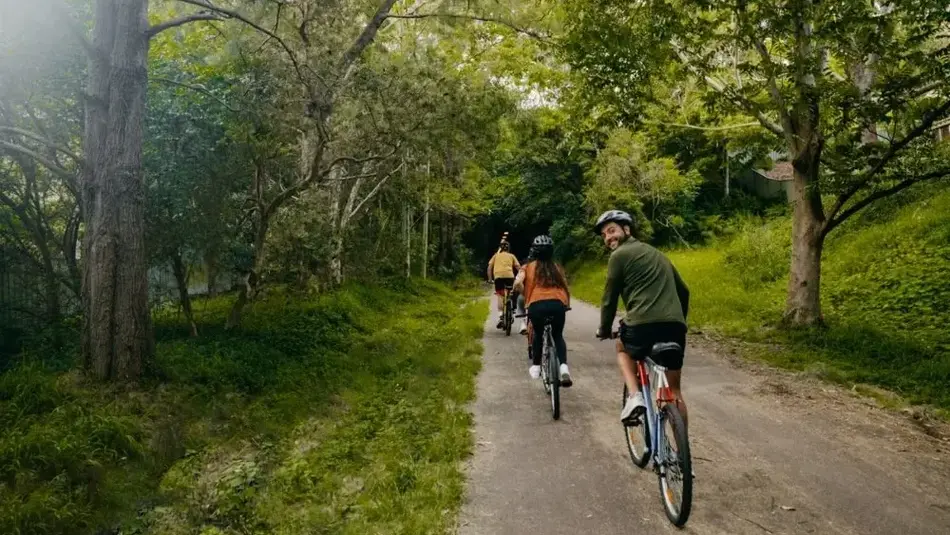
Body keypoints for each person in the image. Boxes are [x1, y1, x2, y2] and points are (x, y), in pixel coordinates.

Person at [593, 210, 690, 426]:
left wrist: (604, 328)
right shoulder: (659, 254)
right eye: (604, 235)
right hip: (675, 328)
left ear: (626, 229)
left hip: (642, 326)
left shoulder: (619, 256)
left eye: (612, 230)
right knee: (675, 392)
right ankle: (682, 456)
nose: (608, 237)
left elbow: (609, 297)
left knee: (622, 346)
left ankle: (635, 396)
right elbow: (684, 291)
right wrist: (678, 322)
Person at [513, 235, 573, 386]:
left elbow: (517, 283)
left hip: (536, 305)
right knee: (558, 335)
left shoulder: (527, 267)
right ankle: (564, 367)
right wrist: (566, 304)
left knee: (538, 334)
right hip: (557, 304)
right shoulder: (557, 267)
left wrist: (525, 294)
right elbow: (566, 287)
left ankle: (536, 366)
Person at [487, 241, 520, 328]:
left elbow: (489, 267)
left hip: (498, 277)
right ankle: (513, 308)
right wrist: (519, 277)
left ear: (500, 248)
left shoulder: (496, 255)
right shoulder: (511, 256)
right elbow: (518, 267)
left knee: (500, 296)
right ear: (508, 249)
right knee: (513, 291)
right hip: (509, 276)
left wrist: (490, 279)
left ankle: (501, 317)